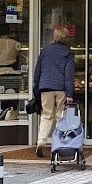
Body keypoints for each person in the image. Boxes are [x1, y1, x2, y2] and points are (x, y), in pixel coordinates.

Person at [33, 25, 75, 157]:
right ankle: (59, 144)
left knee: (46, 115)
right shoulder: (68, 52)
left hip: (45, 86)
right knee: (60, 117)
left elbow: (37, 72)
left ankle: (41, 141)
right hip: (61, 87)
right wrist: (69, 94)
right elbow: (69, 75)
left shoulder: (45, 51)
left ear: (54, 37)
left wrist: (37, 89)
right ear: (66, 37)